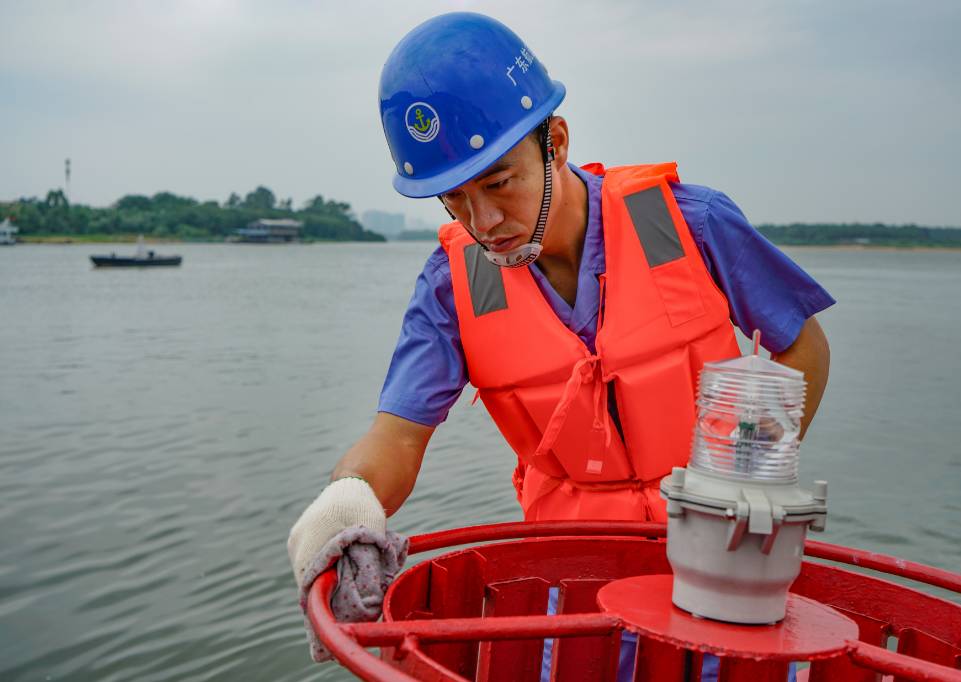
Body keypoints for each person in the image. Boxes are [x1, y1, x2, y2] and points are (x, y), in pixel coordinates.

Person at [288, 12, 832, 679]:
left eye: (499, 183)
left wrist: (746, 481)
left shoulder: (687, 223)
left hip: (716, 568)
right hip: (566, 581)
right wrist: (348, 498)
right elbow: (398, 436)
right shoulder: (452, 286)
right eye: (452, 199)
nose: (482, 222)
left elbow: (801, 347)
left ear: (556, 142)